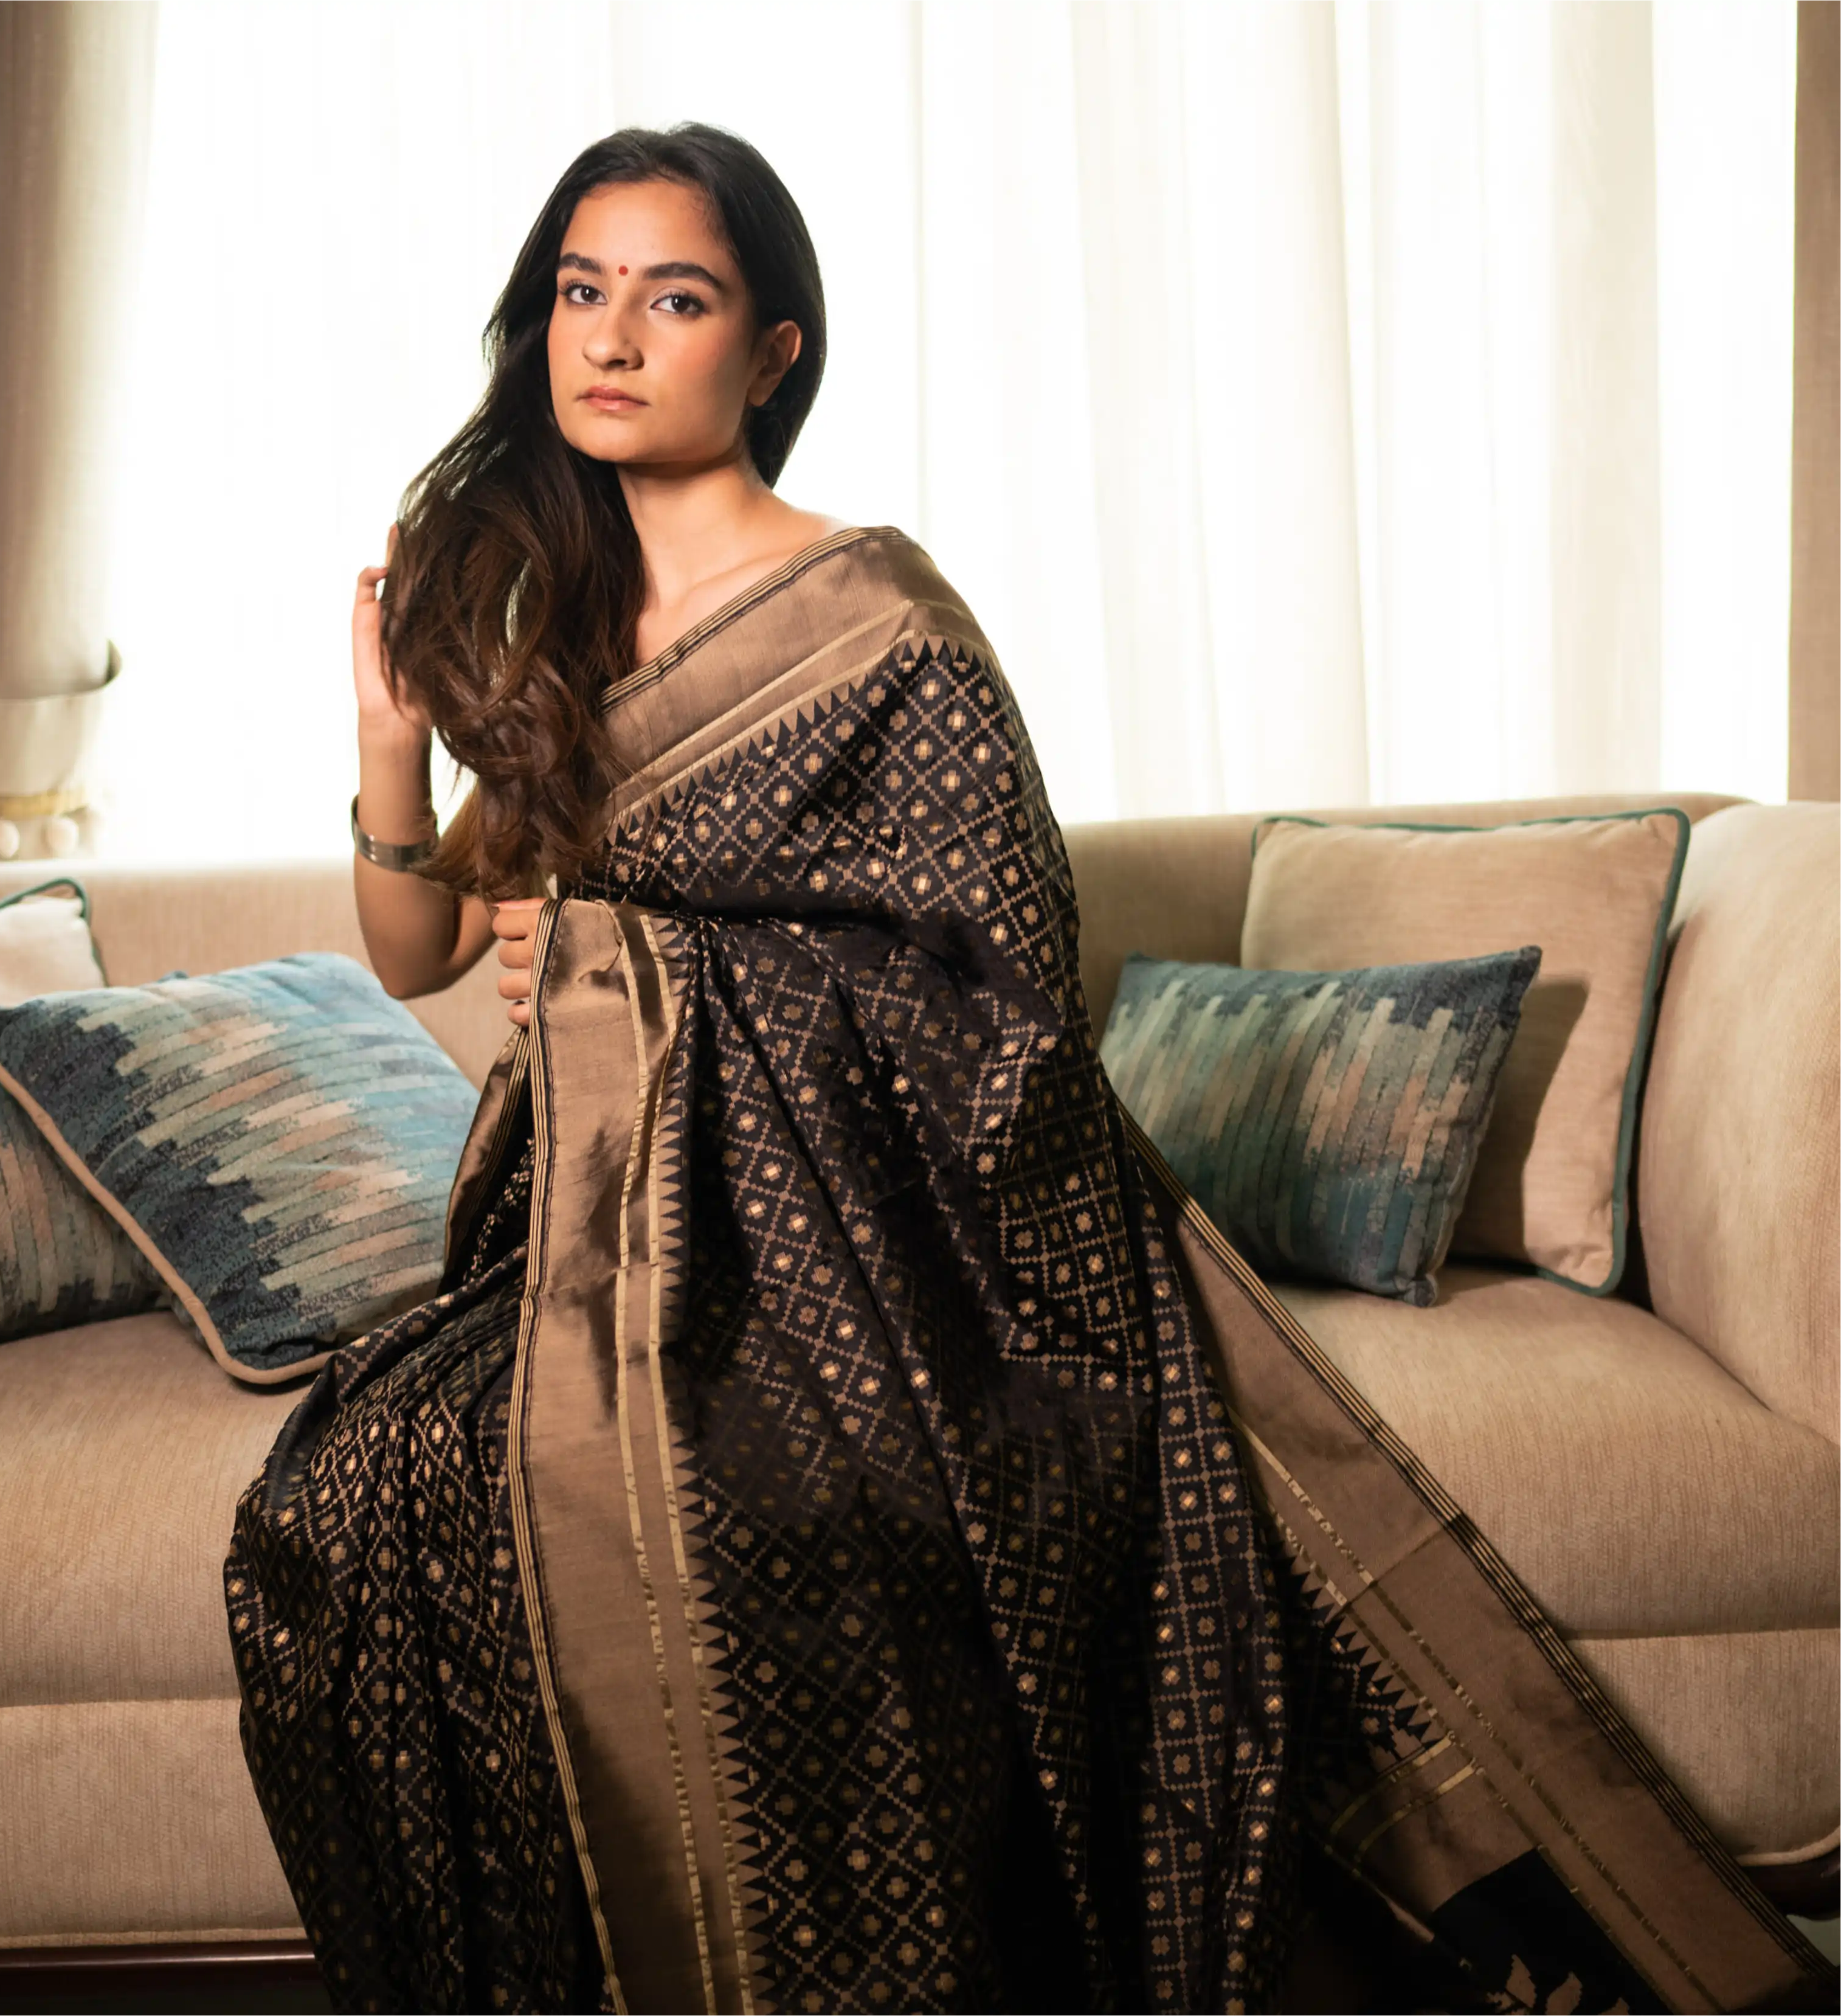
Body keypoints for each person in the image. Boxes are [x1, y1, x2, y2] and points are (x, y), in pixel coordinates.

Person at [226, 123, 1831, 2016]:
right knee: (358, 1488)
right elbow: (417, 949)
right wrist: (391, 744)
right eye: (583, 292)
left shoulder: (876, 620)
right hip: (609, 1249)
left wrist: (627, 967)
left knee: (782, 1521)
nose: (614, 338)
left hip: (881, 1250)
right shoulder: (563, 634)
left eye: (677, 297)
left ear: (776, 350)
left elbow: (997, 988)